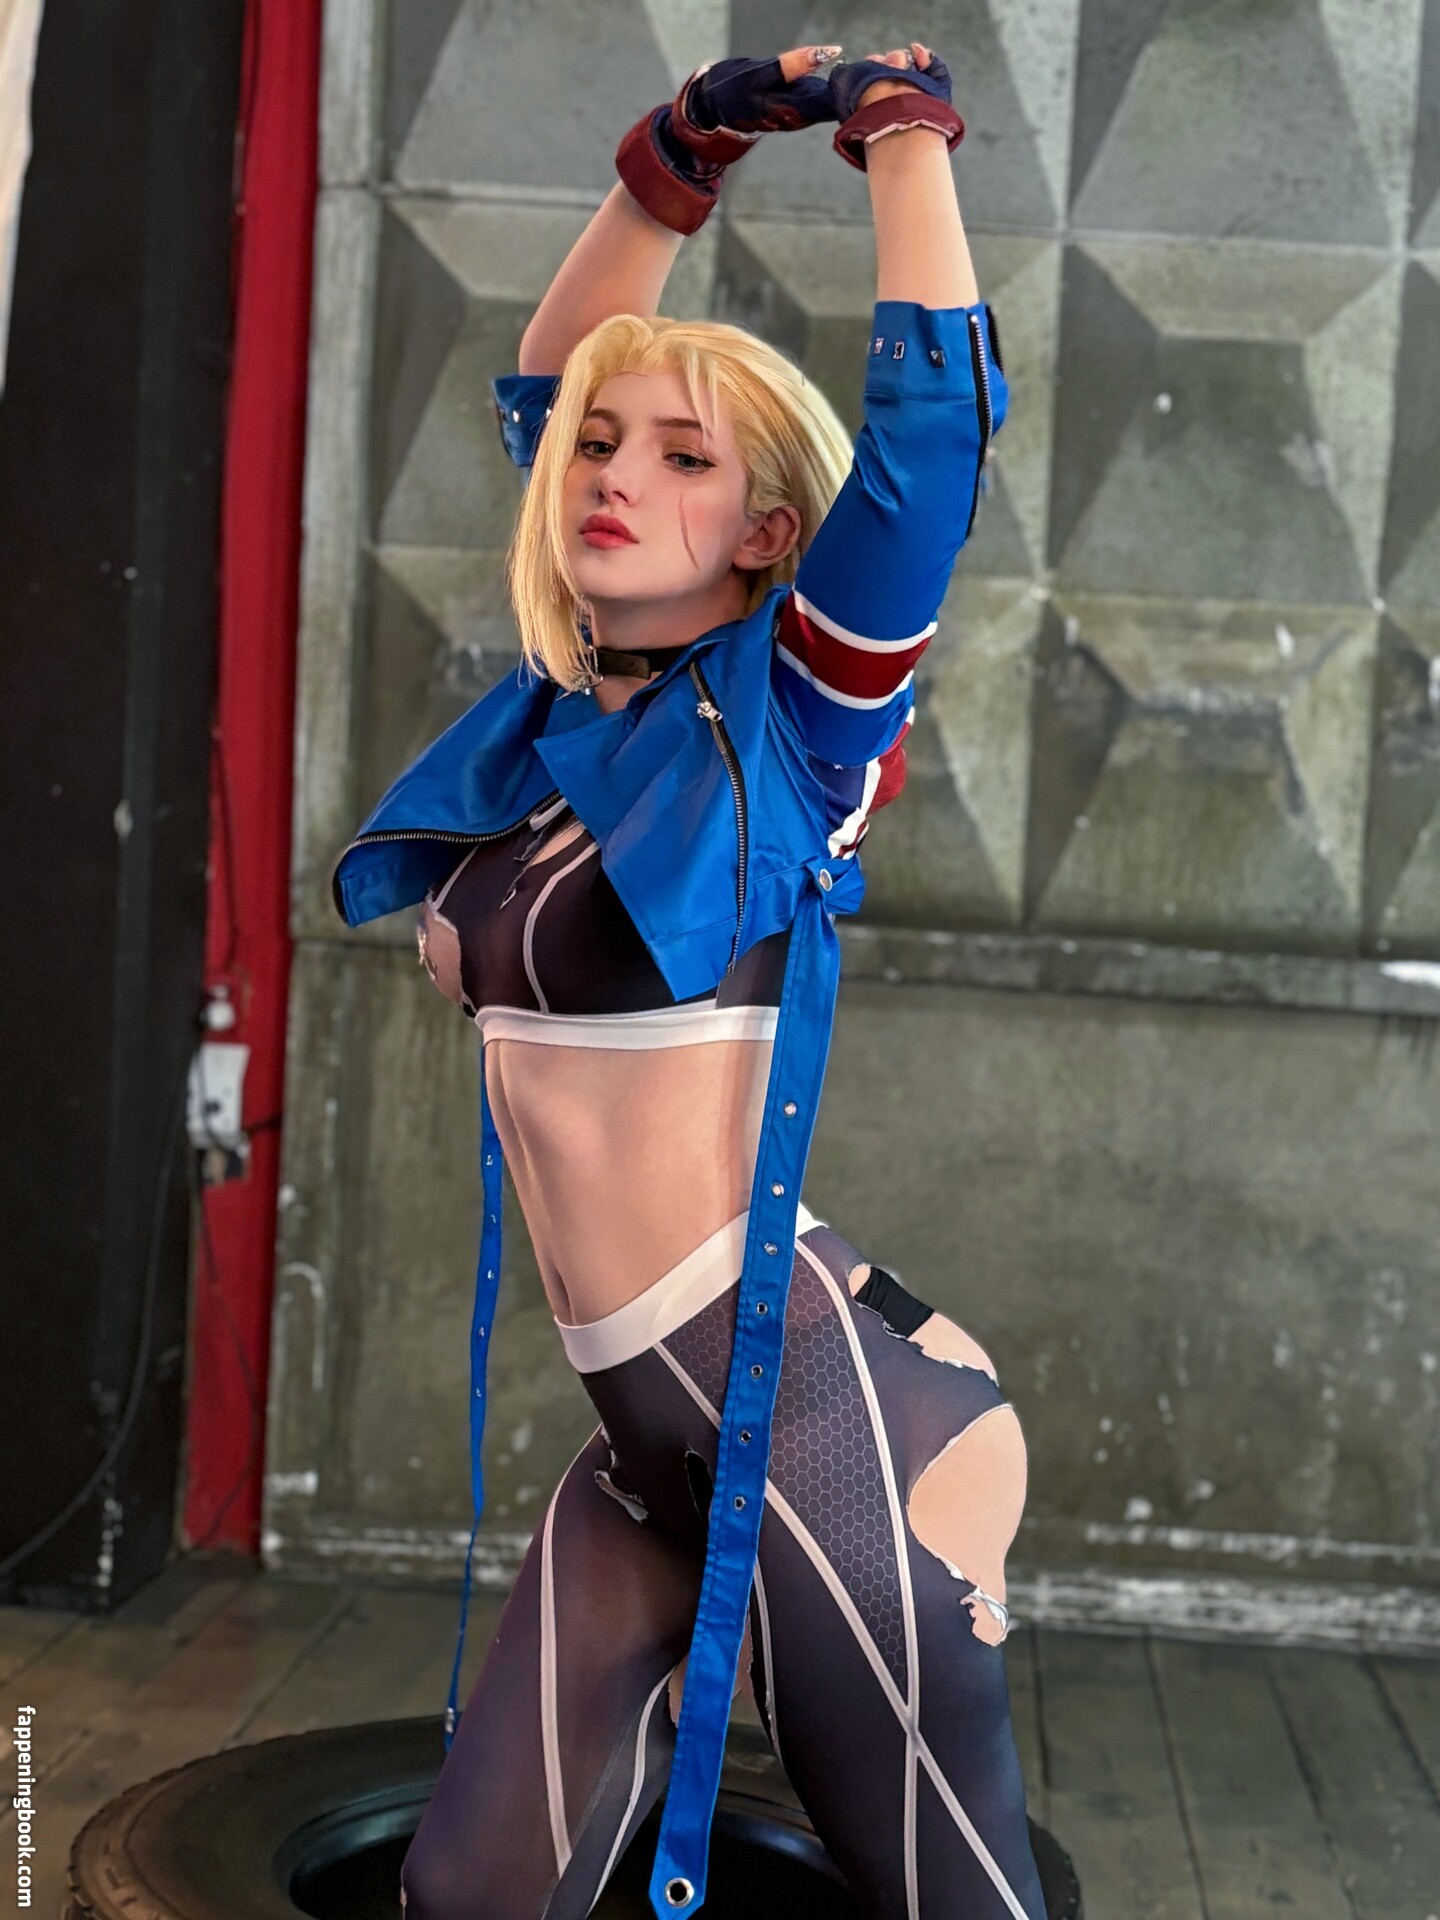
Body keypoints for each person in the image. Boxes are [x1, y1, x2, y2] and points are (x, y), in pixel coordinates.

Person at [333, 39, 1042, 1920]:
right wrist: (682, 149)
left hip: (826, 1426)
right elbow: (553, 380)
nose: (610, 472)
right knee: (468, 1897)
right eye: (598, 448)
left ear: (769, 533)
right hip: (650, 1452)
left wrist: (898, 128)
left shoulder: (797, 722)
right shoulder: (566, 727)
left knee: (946, 1895)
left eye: (683, 458)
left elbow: (931, 452)